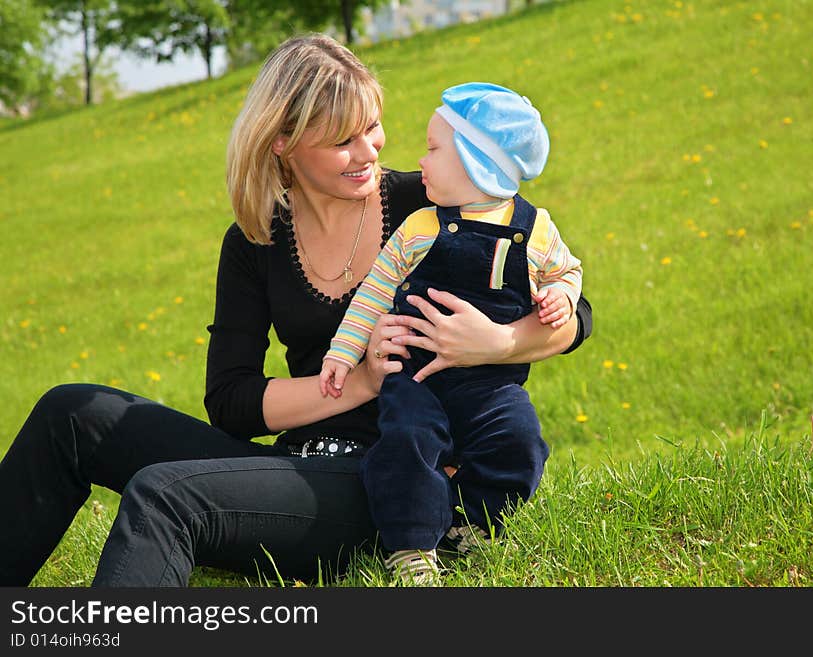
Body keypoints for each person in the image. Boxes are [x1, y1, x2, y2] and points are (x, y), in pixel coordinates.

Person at [0, 33, 592, 588]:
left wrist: (499, 344)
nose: (369, 152)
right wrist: (358, 380)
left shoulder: (433, 202)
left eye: (373, 127)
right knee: (70, 414)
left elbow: (574, 312)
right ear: (283, 142)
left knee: (165, 492)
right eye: (342, 140)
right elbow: (231, 402)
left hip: (391, 478)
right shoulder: (255, 240)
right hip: (295, 466)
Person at [319, 82, 582, 584]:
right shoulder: (421, 226)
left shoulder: (537, 229)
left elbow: (568, 272)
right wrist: (343, 352)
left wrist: (560, 296)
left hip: (492, 381)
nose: (421, 159)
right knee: (408, 442)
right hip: (414, 375)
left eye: (434, 149)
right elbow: (373, 294)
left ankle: (474, 526)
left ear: (475, 161)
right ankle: (411, 546)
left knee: (519, 441)